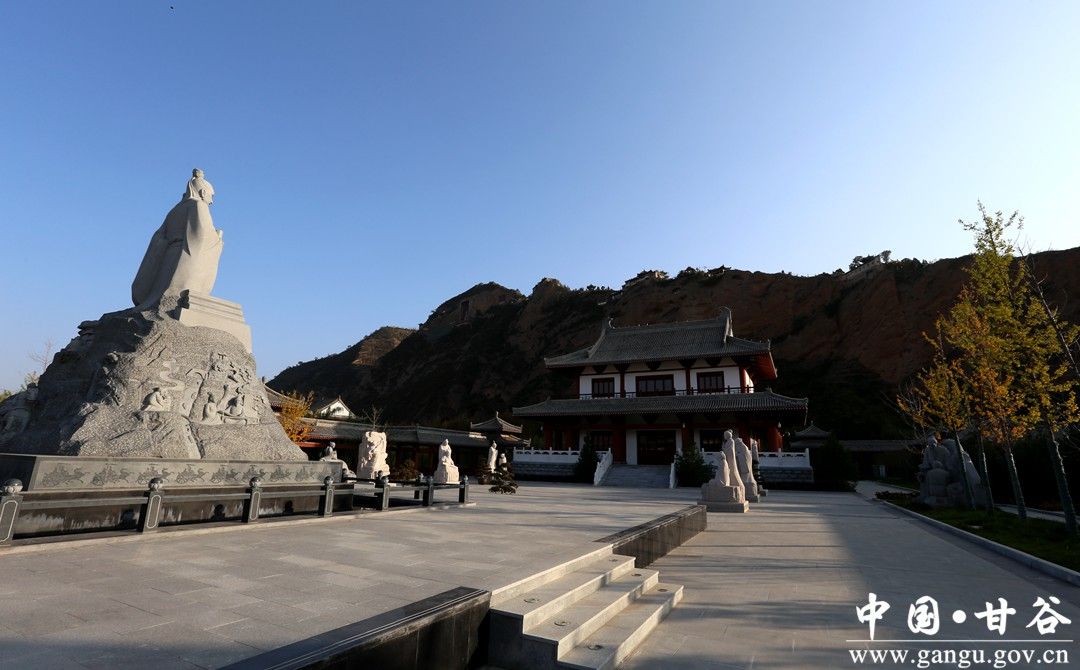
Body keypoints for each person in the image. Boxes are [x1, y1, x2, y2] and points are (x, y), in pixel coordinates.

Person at [131, 169, 224, 307]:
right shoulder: (199, 205)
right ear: (203, 193)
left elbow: (159, 236)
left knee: (160, 293)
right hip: (184, 259)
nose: (212, 201)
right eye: (212, 196)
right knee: (176, 297)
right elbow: (200, 236)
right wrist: (217, 238)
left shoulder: (175, 210)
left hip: (168, 259)